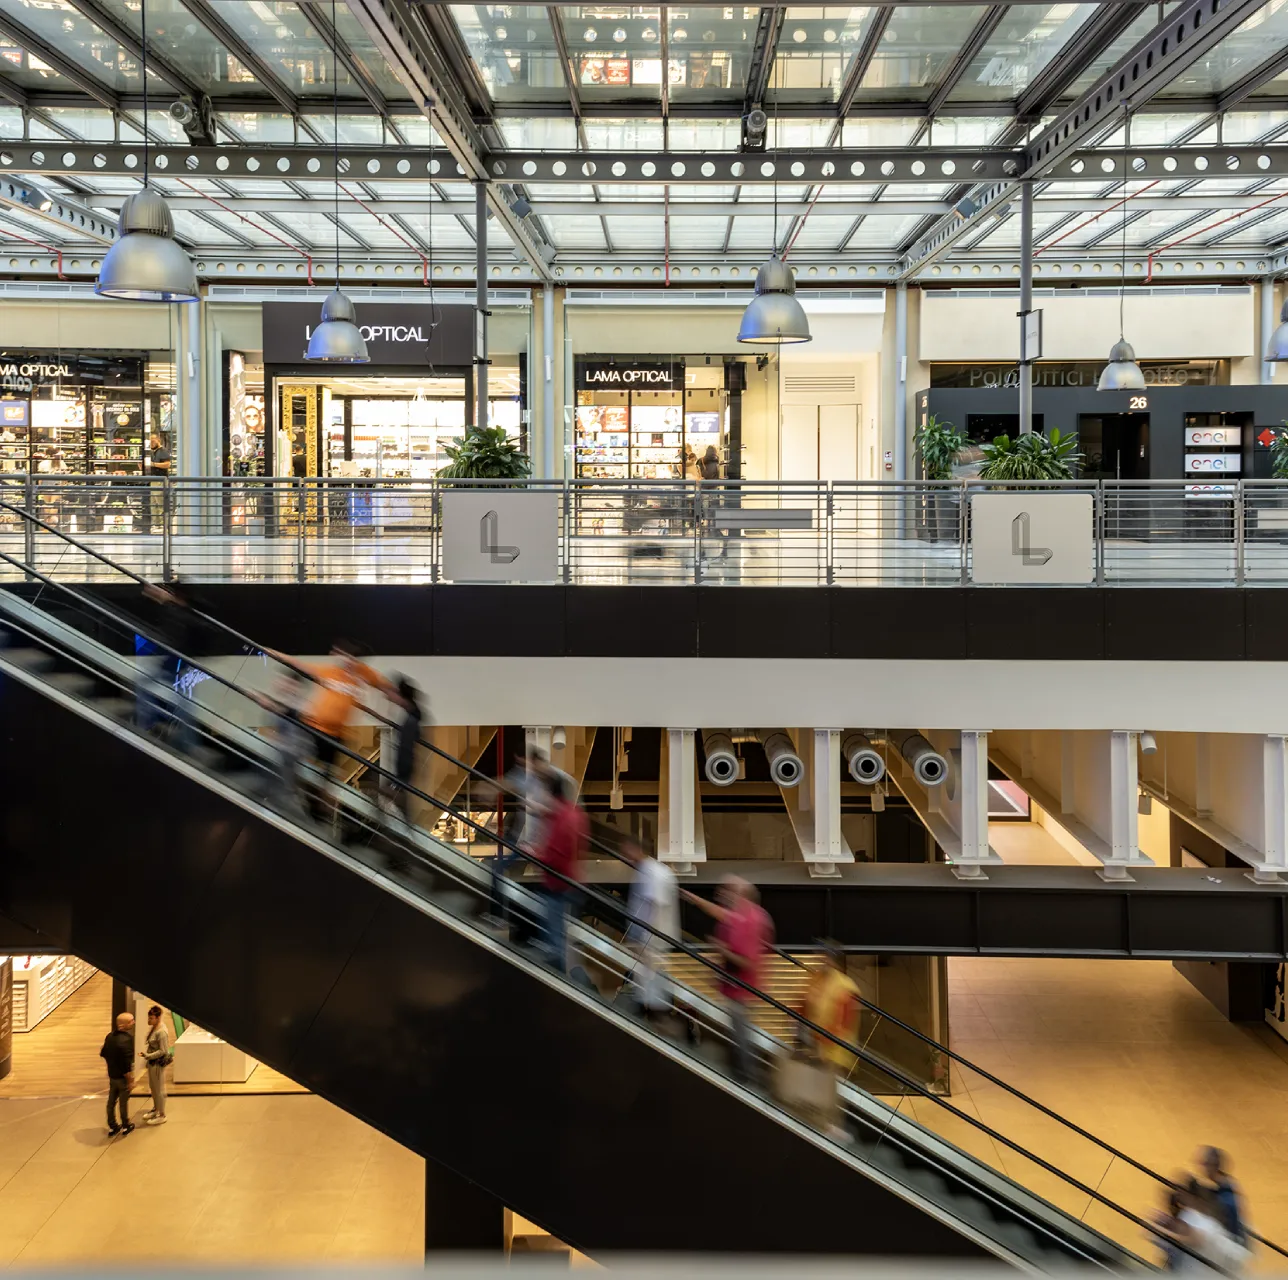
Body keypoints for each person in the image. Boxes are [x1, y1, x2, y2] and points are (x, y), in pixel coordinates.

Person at [275, 640, 398, 822]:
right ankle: (295, 795)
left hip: (337, 735)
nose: (349, 664)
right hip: (314, 727)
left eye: (352, 660)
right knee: (302, 763)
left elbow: (387, 688)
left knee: (328, 777)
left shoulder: (365, 674)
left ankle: (320, 812)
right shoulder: (330, 672)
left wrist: (383, 712)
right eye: (345, 659)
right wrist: (271, 652)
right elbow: (299, 665)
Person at [683, 876, 774, 1085]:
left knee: (741, 1038)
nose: (722, 895)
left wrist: (722, 950)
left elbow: (748, 961)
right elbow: (718, 912)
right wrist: (694, 899)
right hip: (735, 988)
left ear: (740, 895)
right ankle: (741, 1075)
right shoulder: (743, 915)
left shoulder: (749, 921)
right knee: (738, 1034)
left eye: (727, 890)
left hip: (743, 990)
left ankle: (745, 1081)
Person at [802, 944, 861, 1140]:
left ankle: (832, 1126)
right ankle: (820, 1122)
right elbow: (805, 1002)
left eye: (825, 957)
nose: (821, 961)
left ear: (834, 960)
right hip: (816, 1043)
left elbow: (844, 1021)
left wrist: (824, 1041)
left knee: (831, 1088)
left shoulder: (845, 986)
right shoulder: (818, 978)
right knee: (819, 1085)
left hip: (835, 1048)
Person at [532, 769, 587, 974]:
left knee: (555, 934)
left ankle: (558, 977)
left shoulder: (561, 819)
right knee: (560, 932)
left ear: (551, 793)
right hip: (571, 880)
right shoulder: (573, 814)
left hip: (558, 882)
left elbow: (555, 856)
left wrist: (536, 855)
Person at [622, 838, 679, 1028]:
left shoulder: (653, 872)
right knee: (648, 983)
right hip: (650, 938)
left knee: (653, 984)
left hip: (653, 939)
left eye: (627, 851)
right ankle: (653, 1018)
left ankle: (660, 1022)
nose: (626, 857)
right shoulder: (647, 871)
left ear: (637, 849)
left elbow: (654, 906)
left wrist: (641, 940)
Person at [381, 674, 424, 824]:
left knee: (390, 793)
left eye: (393, 693)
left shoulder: (410, 721)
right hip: (403, 771)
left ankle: (406, 827)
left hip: (403, 771)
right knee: (395, 796)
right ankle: (406, 826)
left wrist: (399, 778)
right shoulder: (411, 716)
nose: (389, 697)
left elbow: (406, 750)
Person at [1197, 1147, 1247, 1248]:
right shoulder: (1226, 1184)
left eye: (1206, 1164)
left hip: (1230, 1244)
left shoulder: (1226, 1192)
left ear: (1214, 1166)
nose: (1204, 1168)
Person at [99, 1012, 136, 1137]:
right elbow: (127, 1063)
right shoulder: (127, 1039)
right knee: (123, 1102)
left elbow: (103, 1053)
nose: (133, 1022)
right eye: (131, 1021)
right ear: (123, 1025)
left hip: (112, 1076)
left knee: (111, 1102)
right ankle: (126, 1125)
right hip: (122, 1078)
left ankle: (113, 1126)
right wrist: (130, 1080)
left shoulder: (109, 1037)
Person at [140, 1005, 169, 1125]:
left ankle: (162, 1114)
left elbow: (163, 1051)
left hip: (157, 1064)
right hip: (152, 1063)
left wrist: (148, 1056)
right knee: (153, 1087)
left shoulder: (161, 1032)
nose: (149, 1020)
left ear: (157, 1018)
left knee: (159, 1089)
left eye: (151, 1018)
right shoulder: (154, 1028)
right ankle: (156, 1108)